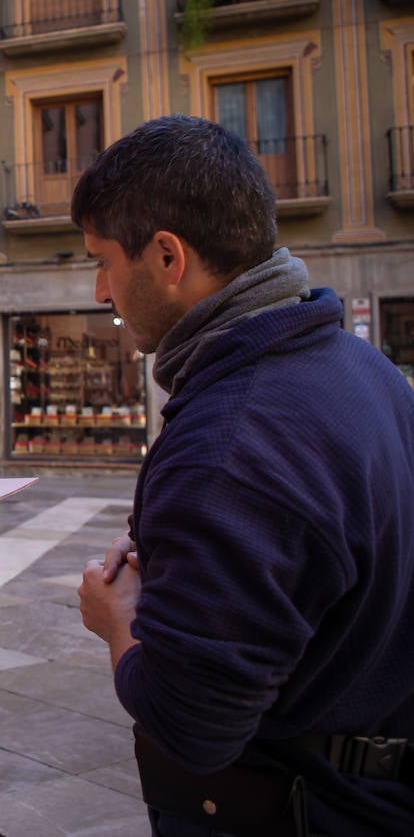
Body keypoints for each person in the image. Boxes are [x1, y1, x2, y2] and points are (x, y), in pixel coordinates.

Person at [73, 115, 414, 836]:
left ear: (167, 256)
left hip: (298, 807)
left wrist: (118, 619)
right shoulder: (366, 370)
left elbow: (192, 726)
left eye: (102, 259)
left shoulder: (228, 444)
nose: (101, 288)